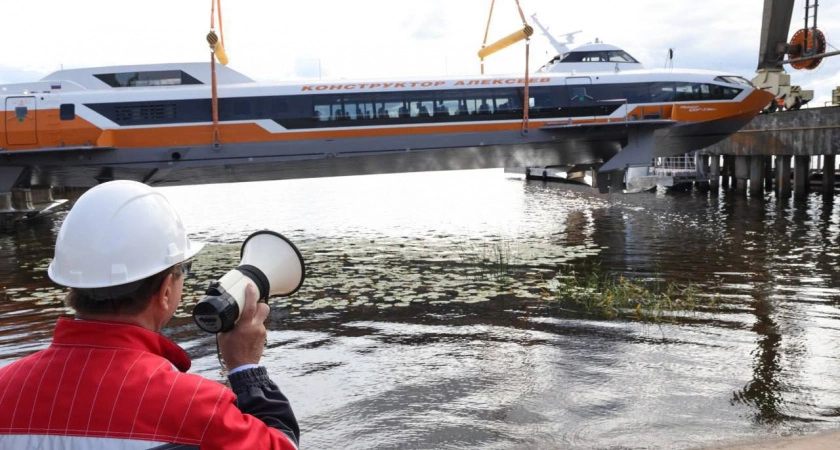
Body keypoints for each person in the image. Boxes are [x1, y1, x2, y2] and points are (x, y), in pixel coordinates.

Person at [0, 180, 299, 449]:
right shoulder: (196, 409)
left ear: (72, 285)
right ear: (166, 290)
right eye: (183, 270)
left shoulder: (4, 389)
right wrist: (246, 370)